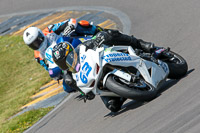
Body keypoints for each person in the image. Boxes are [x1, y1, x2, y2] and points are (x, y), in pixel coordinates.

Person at [52, 29, 156, 112]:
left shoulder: (81, 48)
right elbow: (88, 94)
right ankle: (129, 89)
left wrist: (97, 39)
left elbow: (92, 40)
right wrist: (85, 93)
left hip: (105, 57)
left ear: (72, 51)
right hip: (101, 82)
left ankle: (141, 44)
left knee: (109, 34)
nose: (66, 63)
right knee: (113, 107)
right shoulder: (69, 77)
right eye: (61, 63)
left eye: (67, 58)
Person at [23, 18, 103, 93]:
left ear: (41, 34)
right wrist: (57, 74)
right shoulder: (38, 56)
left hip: (71, 44)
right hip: (65, 64)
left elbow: (71, 21)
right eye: (33, 45)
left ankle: (97, 32)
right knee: (67, 86)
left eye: (38, 40)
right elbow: (49, 69)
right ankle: (88, 91)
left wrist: (69, 27)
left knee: (80, 25)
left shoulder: (49, 30)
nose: (38, 44)